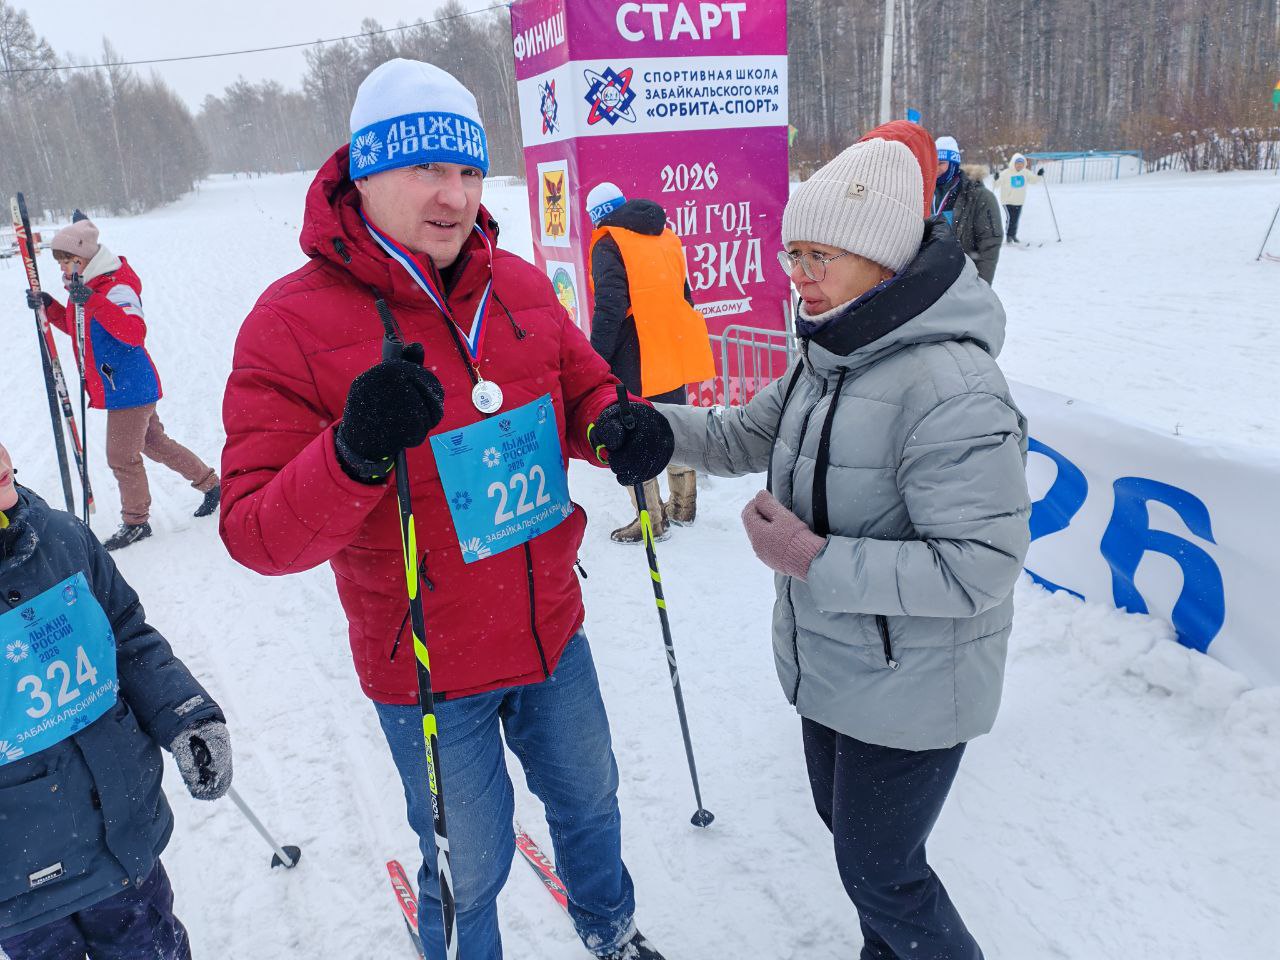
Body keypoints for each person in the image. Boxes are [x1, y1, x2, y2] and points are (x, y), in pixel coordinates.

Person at [219, 59, 674, 960]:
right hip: (427, 663)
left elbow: (583, 386)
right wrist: (352, 452)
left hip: (550, 627)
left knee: (591, 800)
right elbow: (256, 533)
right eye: (426, 168)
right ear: (365, 173)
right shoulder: (290, 322)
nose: (455, 195)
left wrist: (612, 424)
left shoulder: (519, 284)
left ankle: (611, 926)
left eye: (469, 170)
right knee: (469, 862)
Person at [657, 121, 1031, 960]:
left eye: (819, 255)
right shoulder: (827, 352)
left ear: (883, 258)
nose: (798, 274)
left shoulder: (951, 384)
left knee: (882, 872)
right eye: (793, 254)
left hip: (915, 687)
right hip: (837, 667)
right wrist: (647, 428)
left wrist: (812, 558)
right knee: (855, 848)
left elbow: (981, 567)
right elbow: (740, 435)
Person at [0, 441, 232, 959]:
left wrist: (185, 715)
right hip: (18, 884)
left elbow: (125, 635)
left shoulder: (59, 536)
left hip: (121, 840)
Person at [24, 218, 220, 551]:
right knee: (155, 444)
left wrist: (93, 301)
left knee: (121, 456)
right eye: (61, 262)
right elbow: (78, 328)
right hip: (122, 385)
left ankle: (136, 522)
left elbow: (133, 333)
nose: (63, 268)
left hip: (129, 387)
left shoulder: (116, 287)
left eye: (68, 260)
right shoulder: (85, 286)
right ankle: (210, 484)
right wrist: (50, 306)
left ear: (85, 257)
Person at [585, 182, 714, 543]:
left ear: (598, 216)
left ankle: (651, 519)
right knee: (675, 424)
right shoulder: (665, 236)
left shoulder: (609, 243)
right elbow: (684, 294)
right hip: (671, 347)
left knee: (634, 435)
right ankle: (684, 506)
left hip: (634, 355)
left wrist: (596, 361)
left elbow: (610, 308)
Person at [933, 135, 1002, 284]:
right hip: (930, 276)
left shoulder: (978, 195)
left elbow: (990, 242)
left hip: (962, 277)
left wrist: (981, 284)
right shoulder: (924, 191)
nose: (936, 168)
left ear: (954, 164)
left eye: (941, 163)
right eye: (933, 163)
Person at [993, 152, 1045, 243]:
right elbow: (997, 184)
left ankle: (1013, 235)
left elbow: (1033, 180)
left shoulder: (1025, 173)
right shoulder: (1006, 173)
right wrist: (996, 179)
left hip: (1019, 201)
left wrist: (1039, 175)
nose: (1019, 165)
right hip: (1007, 201)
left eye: (1021, 163)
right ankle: (1009, 236)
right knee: (1010, 218)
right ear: (1013, 163)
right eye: (1017, 163)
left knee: (1015, 219)